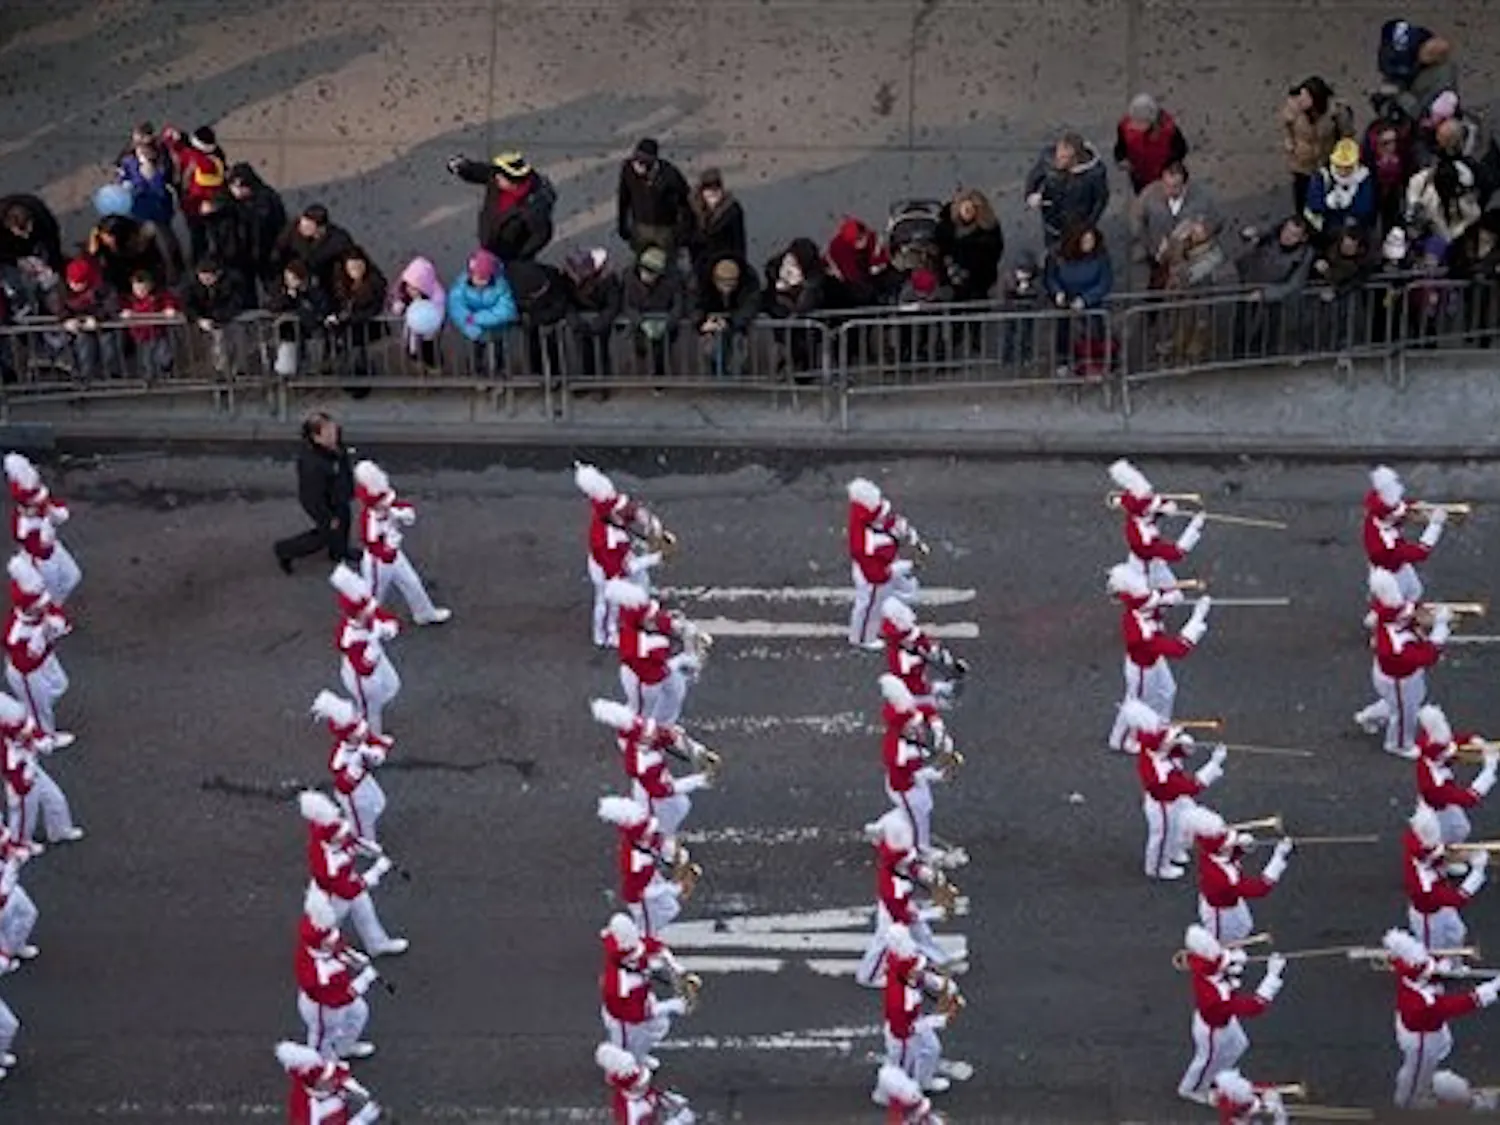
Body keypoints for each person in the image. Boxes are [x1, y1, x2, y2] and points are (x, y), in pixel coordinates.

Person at [1383, 927, 1500, 1109]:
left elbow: (1423, 967)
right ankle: (1409, 1103)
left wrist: (1445, 966)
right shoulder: (1422, 1003)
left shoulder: (1408, 975)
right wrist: (1493, 988)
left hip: (1423, 1028)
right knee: (1418, 1071)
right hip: (1422, 1039)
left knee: (1427, 1064)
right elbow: (1463, 1003)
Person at [1177, 925, 1287, 1103]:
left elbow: (1222, 959)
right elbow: (1254, 1007)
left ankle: (1218, 1077)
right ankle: (1192, 1089)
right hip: (1213, 1028)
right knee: (1205, 1061)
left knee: (1239, 1045)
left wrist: (1234, 959)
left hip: (1224, 1019)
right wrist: (1272, 977)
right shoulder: (1213, 994)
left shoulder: (1207, 965)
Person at [854, 809, 962, 985]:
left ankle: (940, 961)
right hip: (893, 912)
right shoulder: (892, 886)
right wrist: (935, 913)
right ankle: (869, 977)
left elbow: (910, 865)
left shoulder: (893, 854)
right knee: (885, 942)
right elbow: (902, 916)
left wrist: (931, 877)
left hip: (902, 901)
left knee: (921, 933)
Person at [299, 790, 408, 957]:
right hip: (333, 898)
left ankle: (377, 944)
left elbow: (347, 839)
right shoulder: (329, 865)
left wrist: (365, 846)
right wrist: (376, 872)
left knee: (365, 910)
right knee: (329, 930)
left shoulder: (327, 831)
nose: (345, 836)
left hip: (345, 882)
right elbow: (347, 891)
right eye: (341, 835)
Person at [1356, 568, 1449, 758]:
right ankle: (1399, 744)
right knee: (1405, 714)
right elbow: (1429, 656)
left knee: (1407, 703)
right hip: (1399, 678)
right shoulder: (1395, 645)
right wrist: (1440, 628)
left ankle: (1367, 716)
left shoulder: (1389, 616)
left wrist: (1423, 613)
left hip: (1402, 675)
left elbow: (1408, 610)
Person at [572, 463, 666, 648]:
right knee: (609, 604)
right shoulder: (609, 542)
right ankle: (605, 635)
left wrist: (648, 520)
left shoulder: (609, 508)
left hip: (618, 557)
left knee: (642, 579)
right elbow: (623, 569)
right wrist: (653, 559)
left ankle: (642, 601)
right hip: (608, 570)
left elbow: (629, 509)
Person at [1128, 700, 1225, 880]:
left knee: (1180, 826)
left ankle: (1174, 851)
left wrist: (1186, 745)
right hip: (1163, 803)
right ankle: (1157, 867)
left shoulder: (1154, 748)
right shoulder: (1159, 774)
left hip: (1174, 797)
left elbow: (1172, 748)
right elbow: (1193, 787)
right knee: (1163, 835)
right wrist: (1213, 765)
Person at [591, 700, 712, 838]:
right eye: (650, 736)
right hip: (651, 795)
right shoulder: (642, 765)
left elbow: (669, 736)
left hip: (658, 780)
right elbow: (662, 790)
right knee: (668, 817)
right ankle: (664, 846)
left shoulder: (641, 732)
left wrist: (698, 751)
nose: (655, 734)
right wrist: (698, 780)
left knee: (680, 807)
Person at [352, 460, 451, 626]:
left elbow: (407, 512)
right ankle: (364, 623)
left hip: (394, 554)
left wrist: (401, 514)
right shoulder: (369, 521)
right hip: (378, 563)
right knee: (374, 595)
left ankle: (424, 613)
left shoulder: (388, 507)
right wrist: (389, 547)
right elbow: (374, 547)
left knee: (412, 582)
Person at [292, 887, 382, 1061]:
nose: (336, 939)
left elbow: (338, 947)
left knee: (359, 1013)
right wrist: (364, 980)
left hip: (338, 990)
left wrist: (352, 957)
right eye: (330, 941)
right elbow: (338, 998)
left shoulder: (319, 942)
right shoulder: (318, 974)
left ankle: (344, 1048)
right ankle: (321, 1066)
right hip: (322, 1007)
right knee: (323, 1038)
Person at [1180, 805, 1293, 942]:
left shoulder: (1211, 853)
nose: (1233, 843)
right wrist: (1278, 858)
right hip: (1219, 911)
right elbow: (1260, 888)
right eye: (1230, 844)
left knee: (1244, 926)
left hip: (1230, 899)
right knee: (1222, 941)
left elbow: (1229, 855)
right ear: (1221, 849)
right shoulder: (1223, 877)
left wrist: (1242, 848)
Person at [880, 922, 971, 1094]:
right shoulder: (900, 999)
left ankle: (923, 1082)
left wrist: (941, 985)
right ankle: (890, 1096)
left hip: (912, 1019)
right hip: (903, 1036)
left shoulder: (900, 963)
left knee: (932, 1049)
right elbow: (904, 1030)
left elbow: (918, 975)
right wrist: (939, 1020)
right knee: (899, 1070)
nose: (920, 970)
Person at [606, 581, 705, 725]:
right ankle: (637, 738)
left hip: (661, 666)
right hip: (642, 679)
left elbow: (659, 621)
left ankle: (664, 726)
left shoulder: (646, 621)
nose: (656, 619)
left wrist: (679, 627)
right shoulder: (636, 647)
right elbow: (655, 674)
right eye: (650, 618)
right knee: (641, 712)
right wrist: (681, 660)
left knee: (676, 692)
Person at [598, 912, 691, 1062]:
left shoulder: (630, 948)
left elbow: (654, 946)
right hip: (623, 1018)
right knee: (625, 1051)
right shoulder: (618, 985)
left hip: (641, 998)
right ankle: (628, 1073)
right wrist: (671, 1006)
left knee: (658, 1027)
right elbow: (636, 1014)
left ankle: (639, 1055)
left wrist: (677, 968)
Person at [879, 674, 956, 856]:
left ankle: (882, 827)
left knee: (923, 806)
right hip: (904, 787)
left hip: (913, 778)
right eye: (913, 728)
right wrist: (938, 774)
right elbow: (911, 775)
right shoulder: (899, 753)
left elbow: (927, 710)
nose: (919, 729)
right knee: (918, 814)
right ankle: (922, 848)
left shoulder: (908, 716)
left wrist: (938, 730)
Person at [597, 794, 691, 940]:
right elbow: (642, 893)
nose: (652, 835)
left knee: (671, 908)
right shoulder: (635, 861)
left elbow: (660, 845)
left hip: (649, 881)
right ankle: (645, 941)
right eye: (649, 832)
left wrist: (677, 855)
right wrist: (672, 888)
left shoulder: (645, 840)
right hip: (639, 898)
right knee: (655, 920)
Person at [846, 477, 925, 649]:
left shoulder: (867, 518)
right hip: (873, 576)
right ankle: (862, 637)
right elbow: (877, 573)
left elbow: (887, 522)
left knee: (898, 592)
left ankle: (891, 617)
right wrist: (902, 566)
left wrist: (906, 532)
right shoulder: (866, 544)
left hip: (882, 566)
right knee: (869, 606)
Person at [274, 412, 357, 573]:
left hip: (338, 497)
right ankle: (285, 550)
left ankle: (339, 552)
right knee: (325, 535)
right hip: (325, 504)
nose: (335, 434)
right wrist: (327, 517)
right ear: (316, 437)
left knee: (344, 524)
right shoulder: (312, 464)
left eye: (334, 429)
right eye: (330, 433)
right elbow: (313, 497)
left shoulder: (332, 447)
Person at [0, 689, 83, 846]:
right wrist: (25, 784)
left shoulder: (17, 726)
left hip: (33, 770)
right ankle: (21, 844)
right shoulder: (8, 751)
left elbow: (32, 731)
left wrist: (40, 740)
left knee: (56, 799)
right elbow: (13, 775)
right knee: (25, 817)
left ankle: (60, 830)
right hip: (22, 781)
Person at [3, 555, 72, 741]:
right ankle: (46, 738)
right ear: (28, 607)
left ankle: (27, 712)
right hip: (27, 673)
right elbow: (25, 663)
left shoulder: (40, 609)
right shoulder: (15, 634)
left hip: (46, 659)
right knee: (41, 712)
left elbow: (57, 615)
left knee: (61, 685)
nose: (44, 602)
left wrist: (57, 625)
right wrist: (42, 637)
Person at [444, 151, 556, 263]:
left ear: (513, 183)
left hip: (510, 252)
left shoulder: (534, 208)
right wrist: (464, 168)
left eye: (500, 177)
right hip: (490, 237)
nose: (495, 178)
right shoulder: (499, 180)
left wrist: (521, 256)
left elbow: (542, 235)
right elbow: (484, 172)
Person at [312, 689, 392, 845]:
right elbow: (344, 786)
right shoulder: (340, 758)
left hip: (364, 780)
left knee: (378, 803)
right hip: (353, 795)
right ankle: (364, 844)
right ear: (348, 736)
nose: (363, 732)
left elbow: (380, 743)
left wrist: (377, 754)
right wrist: (354, 769)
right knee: (361, 820)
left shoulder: (362, 735)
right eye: (357, 732)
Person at [329, 564, 401, 736]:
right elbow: (363, 669)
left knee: (392, 685)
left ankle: (363, 720)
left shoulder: (366, 614)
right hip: (360, 678)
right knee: (371, 708)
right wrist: (371, 653)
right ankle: (372, 739)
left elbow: (384, 617)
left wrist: (390, 627)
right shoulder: (351, 638)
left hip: (377, 658)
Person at [1404, 802, 1485, 952]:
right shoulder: (1424, 885)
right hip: (1428, 916)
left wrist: (1467, 856)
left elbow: (1437, 854)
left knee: (1458, 933)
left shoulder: (1418, 842)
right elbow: (1459, 898)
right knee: (1435, 949)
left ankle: (1455, 965)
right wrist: (1477, 872)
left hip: (1440, 903)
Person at [1413, 706, 1498, 844]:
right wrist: (1489, 770)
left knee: (1461, 829)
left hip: (1445, 801)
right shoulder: (1433, 784)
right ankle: (1442, 860)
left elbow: (1456, 741)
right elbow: (1469, 798)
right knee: (1437, 840)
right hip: (1436, 811)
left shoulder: (1431, 743)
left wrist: (1477, 742)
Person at [1363, 466, 1446, 604]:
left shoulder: (1377, 515)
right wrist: (1435, 526)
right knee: (1396, 604)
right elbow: (1420, 552)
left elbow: (1401, 508)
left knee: (1415, 590)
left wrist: (1421, 507)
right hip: (1390, 575)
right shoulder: (1383, 544)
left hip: (1396, 563)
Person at [4, 454, 79, 604]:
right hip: (41, 561)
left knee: (73, 576)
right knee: (51, 589)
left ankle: (54, 607)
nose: (40, 505)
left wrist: (52, 512)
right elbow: (41, 551)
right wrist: (45, 534)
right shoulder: (23, 526)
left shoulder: (42, 504)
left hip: (55, 548)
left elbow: (62, 515)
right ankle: (52, 611)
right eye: (34, 505)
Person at [1024, 131, 1109, 250]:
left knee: (1074, 253)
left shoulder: (1094, 174)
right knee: (1052, 250)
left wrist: (1088, 225)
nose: (1057, 159)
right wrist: (1030, 195)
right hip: (1052, 219)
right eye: (1058, 153)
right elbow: (1035, 176)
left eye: (1064, 157)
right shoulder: (1048, 159)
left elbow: (1100, 200)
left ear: (1076, 158)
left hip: (1077, 224)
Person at [880, 597, 967, 710]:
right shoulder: (900, 650)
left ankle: (940, 686)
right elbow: (903, 669)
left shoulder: (909, 632)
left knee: (921, 677)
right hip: (913, 675)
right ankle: (935, 696)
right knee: (916, 688)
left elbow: (920, 639)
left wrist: (929, 648)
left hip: (916, 657)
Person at [1281, 77, 1349, 214]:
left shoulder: (1334, 113)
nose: (1301, 100)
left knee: (1326, 196)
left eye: (1306, 97)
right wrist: (1290, 142)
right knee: (1301, 193)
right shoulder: (1293, 110)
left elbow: (1346, 134)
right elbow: (1286, 125)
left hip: (1326, 160)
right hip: (1302, 162)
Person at [616, 138, 692, 258]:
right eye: (636, 160)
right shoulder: (628, 170)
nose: (637, 166)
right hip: (640, 226)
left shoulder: (670, 174)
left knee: (667, 260)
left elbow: (685, 202)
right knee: (642, 258)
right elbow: (624, 198)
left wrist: (683, 231)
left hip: (665, 228)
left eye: (642, 162)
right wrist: (622, 224)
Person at [446, 248, 517, 375]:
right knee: (475, 353)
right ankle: (476, 373)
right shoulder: (462, 286)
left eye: (485, 279)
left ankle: (499, 374)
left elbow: (507, 309)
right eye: (478, 278)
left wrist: (477, 318)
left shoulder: (500, 285)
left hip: (496, 329)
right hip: (475, 330)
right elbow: (456, 306)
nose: (481, 283)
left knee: (498, 353)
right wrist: (470, 327)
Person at [275, 1040, 382, 1122]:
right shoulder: (304, 1110)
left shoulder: (325, 1070)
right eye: (329, 1080)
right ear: (316, 1083)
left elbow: (344, 1078)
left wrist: (361, 1095)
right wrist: (361, 1121)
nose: (334, 1081)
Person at [620, 246, 684, 377]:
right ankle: (640, 367)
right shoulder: (629, 278)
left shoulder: (672, 281)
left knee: (660, 350)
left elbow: (678, 305)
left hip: (662, 319)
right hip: (640, 321)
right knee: (640, 347)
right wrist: (640, 322)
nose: (646, 276)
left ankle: (659, 377)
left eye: (651, 273)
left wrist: (667, 323)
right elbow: (627, 304)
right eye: (644, 271)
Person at [180, 255, 247, 378]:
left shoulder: (232, 282)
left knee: (235, 344)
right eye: (202, 277)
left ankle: (236, 371)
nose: (205, 281)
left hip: (227, 319)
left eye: (208, 278)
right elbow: (186, 304)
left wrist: (216, 318)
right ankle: (220, 375)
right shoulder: (191, 284)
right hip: (207, 321)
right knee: (217, 349)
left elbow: (235, 303)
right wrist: (199, 319)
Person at [594, 1043, 696, 1125]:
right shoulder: (631, 1112)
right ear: (635, 1087)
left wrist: (670, 1100)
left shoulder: (640, 1091)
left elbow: (654, 1094)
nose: (648, 1080)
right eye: (643, 1080)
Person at [694, 256, 760, 377]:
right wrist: (701, 322)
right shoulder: (702, 280)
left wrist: (730, 322)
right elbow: (695, 303)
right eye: (723, 285)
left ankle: (735, 377)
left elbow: (750, 306)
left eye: (730, 286)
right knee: (710, 351)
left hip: (737, 327)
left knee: (738, 351)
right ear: (714, 280)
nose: (726, 290)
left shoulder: (749, 281)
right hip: (712, 324)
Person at [935, 188, 1003, 303]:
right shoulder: (946, 226)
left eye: (972, 209)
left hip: (979, 278)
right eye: (966, 209)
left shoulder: (988, 228)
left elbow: (995, 250)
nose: (968, 212)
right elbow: (939, 250)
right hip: (951, 278)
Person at [1115, 93, 1190, 194]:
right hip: (1139, 176)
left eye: (1141, 122)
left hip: (1161, 178)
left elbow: (1181, 150)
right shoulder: (1125, 126)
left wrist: (1169, 168)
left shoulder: (1169, 131)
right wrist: (1121, 159)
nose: (1136, 126)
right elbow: (1120, 147)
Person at [1303, 138, 1376, 240]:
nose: (1343, 171)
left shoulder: (1363, 177)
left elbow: (1365, 206)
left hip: (1350, 228)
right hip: (1325, 226)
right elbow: (1312, 201)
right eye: (1339, 166)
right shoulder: (1323, 175)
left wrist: (1348, 205)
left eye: (1348, 167)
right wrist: (1328, 203)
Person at [276, 205, 355, 293]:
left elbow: (352, 260)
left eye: (308, 226)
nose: (302, 227)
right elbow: (278, 253)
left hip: (326, 283)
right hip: (295, 279)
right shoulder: (292, 230)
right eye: (302, 222)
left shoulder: (338, 240)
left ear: (320, 228)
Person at [687, 168, 746, 283]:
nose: (713, 194)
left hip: (723, 261)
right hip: (699, 261)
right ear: (702, 191)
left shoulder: (732, 209)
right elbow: (686, 232)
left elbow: (739, 240)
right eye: (708, 190)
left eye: (716, 190)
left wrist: (739, 264)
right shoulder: (692, 207)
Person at [386, 256, 446, 369]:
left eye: (416, 288)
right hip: (411, 332)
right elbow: (397, 302)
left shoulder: (437, 295)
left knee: (429, 352)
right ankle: (420, 371)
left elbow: (439, 312)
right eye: (410, 287)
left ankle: (434, 372)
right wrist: (398, 307)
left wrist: (430, 327)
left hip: (429, 333)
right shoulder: (404, 292)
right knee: (413, 353)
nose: (411, 291)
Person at [1211, 1070, 1289, 1125]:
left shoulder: (1255, 1090)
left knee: (1272, 1103)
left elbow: (1269, 1091)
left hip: (1260, 1106)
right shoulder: (1227, 1106)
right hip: (1247, 1112)